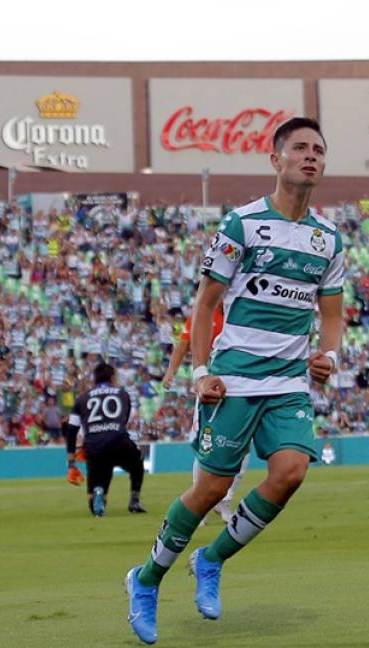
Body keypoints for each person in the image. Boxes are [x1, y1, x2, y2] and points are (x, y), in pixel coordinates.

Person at [123, 117, 345, 644]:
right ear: (276, 160)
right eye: (299, 148)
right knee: (210, 490)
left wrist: (330, 356)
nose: (310, 156)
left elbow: (332, 315)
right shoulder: (241, 225)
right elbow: (205, 307)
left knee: (291, 472)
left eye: (318, 149)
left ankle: (212, 558)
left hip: (289, 381)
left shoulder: (329, 239)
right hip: (235, 379)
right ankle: (147, 578)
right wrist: (200, 372)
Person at [163, 303, 247, 526]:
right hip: (210, 387)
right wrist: (171, 372)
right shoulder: (202, 312)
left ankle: (225, 501)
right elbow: (183, 345)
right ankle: (199, 505)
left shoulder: (242, 310)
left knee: (244, 445)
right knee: (206, 443)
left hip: (241, 386)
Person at [66, 362, 146, 517]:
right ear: (112, 377)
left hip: (94, 447)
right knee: (137, 462)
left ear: (94, 379)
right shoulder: (122, 394)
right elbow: (124, 421)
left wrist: (71, 462)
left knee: (100, 478)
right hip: (118, 441)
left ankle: (98, 492)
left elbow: (71, 430)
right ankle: (134, 500)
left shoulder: (82, 398)